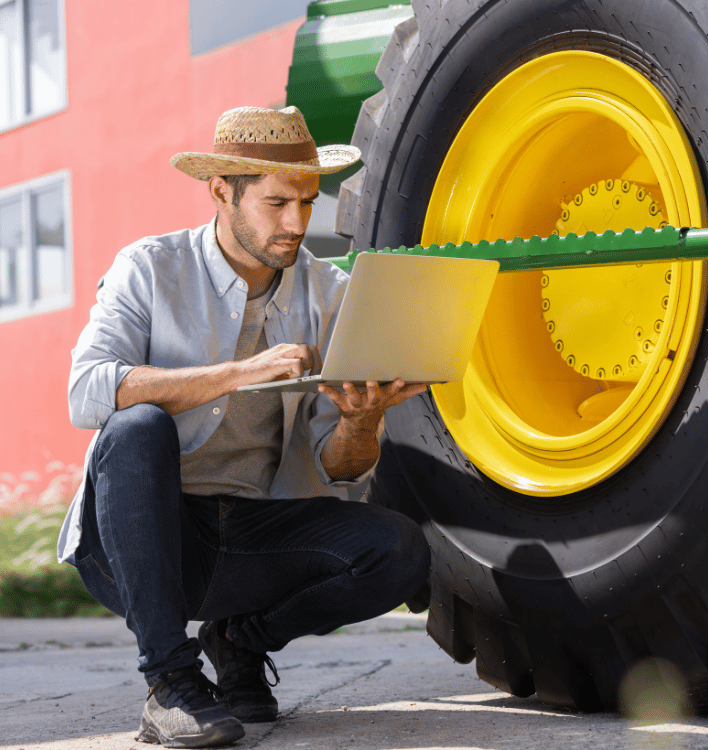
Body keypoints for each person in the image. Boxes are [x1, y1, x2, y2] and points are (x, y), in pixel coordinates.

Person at [57, 105, 432, 748]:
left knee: (399, 551)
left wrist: (360, 423)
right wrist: (236, 374)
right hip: (143, 540)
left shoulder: (332, 294)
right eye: (278, 202)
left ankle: (239, 641)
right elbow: (86, 391)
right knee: (134, 427)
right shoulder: (148, 267)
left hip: (254, 534)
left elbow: (336, 466)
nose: (296, 223)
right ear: (222, 192)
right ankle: (170, 682)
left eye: (309, 203)